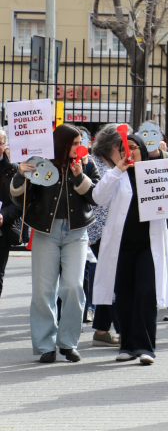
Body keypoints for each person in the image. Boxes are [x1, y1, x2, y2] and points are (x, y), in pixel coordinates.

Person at [11, 124, 100, 363]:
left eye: (80, 142)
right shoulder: (42, 163)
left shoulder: (88, 163)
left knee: (73, 286)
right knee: (43, 290)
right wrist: (21, 173)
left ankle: (68, 343)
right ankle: (45, 346)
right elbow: (18, 196)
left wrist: (79, 175)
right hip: (44, 232)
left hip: (76, 233)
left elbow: (96, 196)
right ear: (61, 143)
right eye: (74, 143)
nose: (78, 147)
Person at [92, 134, 168, 364]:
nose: (129, 152)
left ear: (142, 150)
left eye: (133, 147)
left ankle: (145, 348)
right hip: (122, 246)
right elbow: (98, 197)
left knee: (145, 294)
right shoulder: (116, 175)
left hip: (147, 246)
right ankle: (127, 345)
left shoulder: (157, 172)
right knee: (124, 296)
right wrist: (117, 170)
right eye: (123, 148)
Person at [87, 125, 127, 347]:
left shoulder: (109, 163)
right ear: (114, 147)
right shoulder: (95, 164)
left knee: (107, 279)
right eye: (124, 146)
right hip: (100, 232)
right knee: (114, 280)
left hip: (108, 231)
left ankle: (102, 330)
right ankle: (122, 329)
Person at [0, 129, 23, 302]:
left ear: (5, 145)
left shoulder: (14, 170)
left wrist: (3, 216)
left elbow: (19, 203)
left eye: (0, 143)